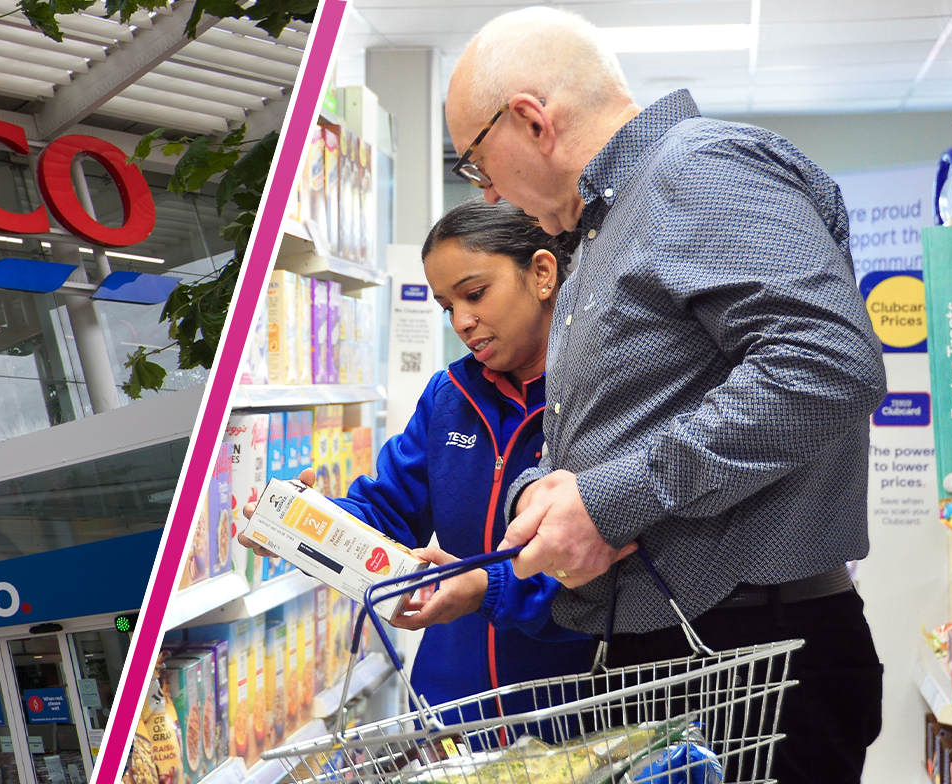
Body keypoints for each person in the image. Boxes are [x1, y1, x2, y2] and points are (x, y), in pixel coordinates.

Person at [441, 7, 886, 781]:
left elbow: (827, 362)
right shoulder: (603, 229)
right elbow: (623, 428)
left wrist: (612, 501)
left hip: (748, 668)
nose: (493, 197)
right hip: (679, 660)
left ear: (531, 121)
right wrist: (547, 500)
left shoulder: (696, 168)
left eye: (477, 166)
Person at [245, 198, 590, 713]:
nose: (462, 321)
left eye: (475, 294)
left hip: (574, 705)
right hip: (449, 706)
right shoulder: (450, 395)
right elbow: (390, 511)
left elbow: (604, 562)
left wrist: (486, 589)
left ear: (542, 273)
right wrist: (306, 522)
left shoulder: (597, 395)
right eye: (447, 307)